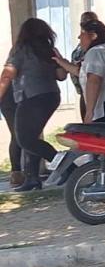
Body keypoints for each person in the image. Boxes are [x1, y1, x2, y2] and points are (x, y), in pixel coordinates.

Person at [0, 19, 68, 191]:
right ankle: (32, 178)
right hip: (51, 96)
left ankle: (67, 167)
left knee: (25, 138)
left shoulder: (21, 50)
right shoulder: (49, 50)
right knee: (32, 136)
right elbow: (61, 76)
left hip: (31, 97)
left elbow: (8, 75)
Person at [69, 11, 100, 120]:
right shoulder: (79, 47)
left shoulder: (98, 48)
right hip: (83, 92)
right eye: (84, 22)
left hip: (96, 92)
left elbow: (91, 77)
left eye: (90, 22)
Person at [1, 87, 21, 187]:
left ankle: (17, 173)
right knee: (18, 136)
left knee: (17, 135)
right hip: (13, 96)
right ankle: (16, 173)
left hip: (10, 96)